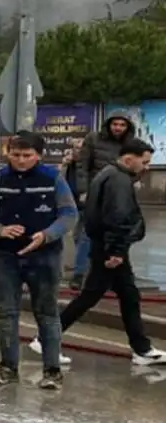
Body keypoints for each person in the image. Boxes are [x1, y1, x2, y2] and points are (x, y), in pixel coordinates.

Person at [47, 140, 165, 366]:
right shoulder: (118, 180)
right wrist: (116, 251)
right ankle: (46, 338)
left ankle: (142, 348)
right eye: (144, 162)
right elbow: (117, 217)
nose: (147, 167)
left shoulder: (110, 174)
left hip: (108, 246)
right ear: (129, 159)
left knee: (129, 296)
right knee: (90, 296)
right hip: (110, 249)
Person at [0, 132, 77, 390]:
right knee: (6, 313)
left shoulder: (53, 178)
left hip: (45, 255)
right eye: (16, 155)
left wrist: (47, 235)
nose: (21, 160)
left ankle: (52, 371)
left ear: (39, 155)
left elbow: (69, 214)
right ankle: (7, 368)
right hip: (5, 255)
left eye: (27, 155)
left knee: (47, 313)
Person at [61, 136, 91, 289]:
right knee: (77, 237)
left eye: (81, 148)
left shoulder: (88, 164)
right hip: (72, 204)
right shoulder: (69, 163)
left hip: (86, 204)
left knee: (84, 238)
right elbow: (61, 180)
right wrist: (64, 165)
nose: (78, 151)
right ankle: (85, 267)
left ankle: (79, 274)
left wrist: (87, 193)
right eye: (76, 148)